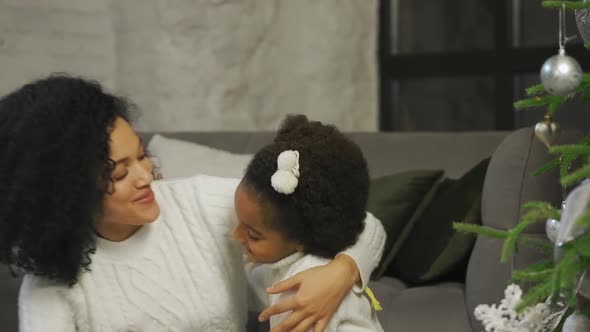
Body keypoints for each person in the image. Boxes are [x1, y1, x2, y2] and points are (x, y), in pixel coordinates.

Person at [0, 75, 386, 332]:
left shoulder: (199, 203)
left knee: (317, 266)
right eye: (119, 173)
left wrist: (340, 274)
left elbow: (358, 222)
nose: (145, 175)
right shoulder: (49, 287)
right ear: (66, 192)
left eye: (141, 156)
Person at [233, 115, 384, 331]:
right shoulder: (279, 262)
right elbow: (253, 281)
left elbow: (368, 222)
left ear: (300, 240)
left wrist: (345, 268)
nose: (237, 235)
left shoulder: (301, 289)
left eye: (253, 235)